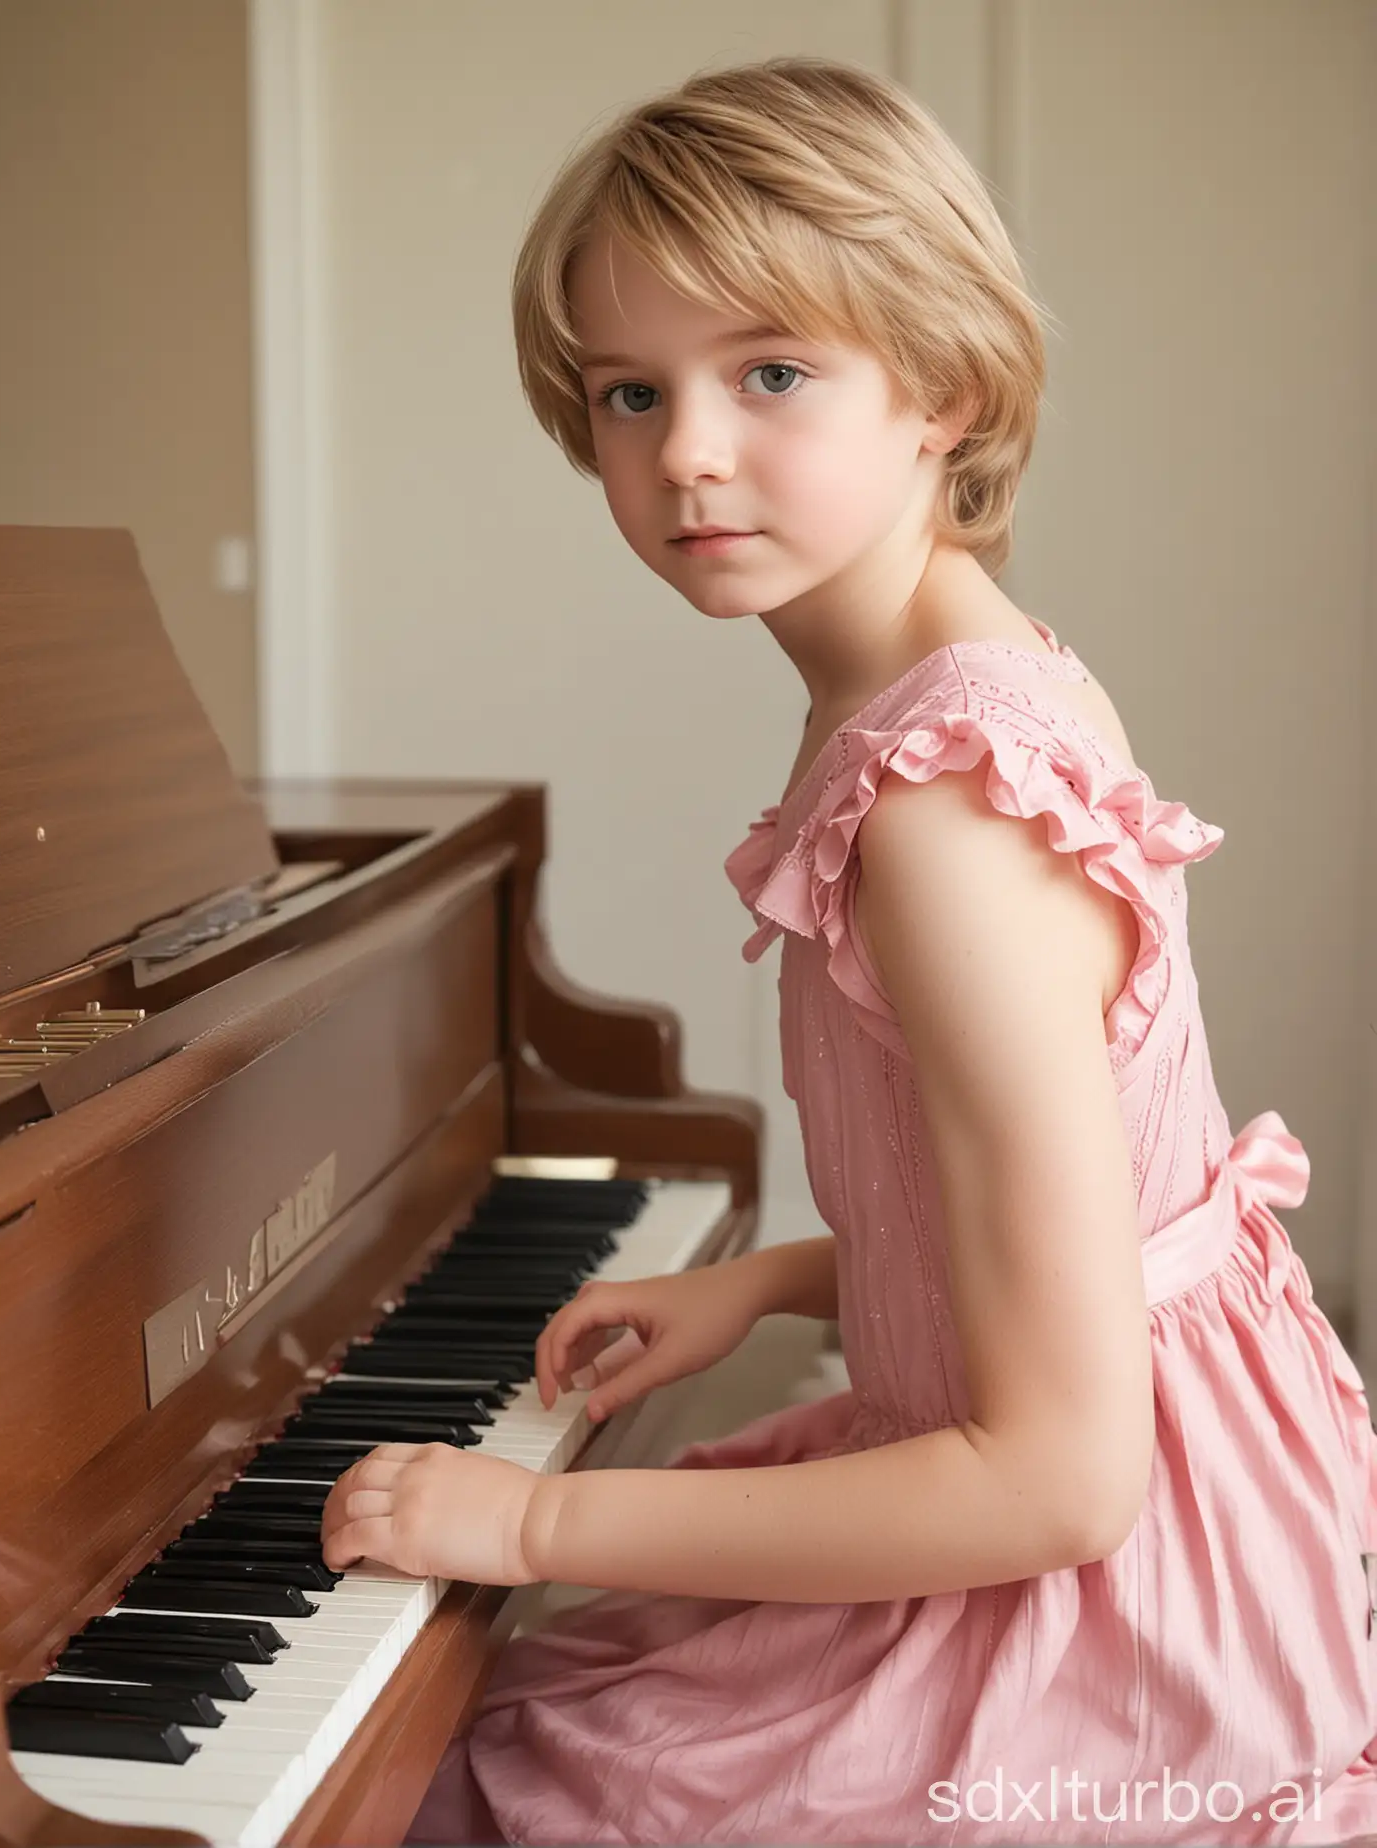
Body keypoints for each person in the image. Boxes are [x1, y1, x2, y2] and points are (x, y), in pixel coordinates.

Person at [319, 54, 1377, 1845]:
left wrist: (529, 1523)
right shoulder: (939, 688)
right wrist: (784, 1280)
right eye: (629, 393)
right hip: (1128, 1463)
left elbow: (1056, 1481)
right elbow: (1083, 1201)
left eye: (773, 373)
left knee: (483, 1782)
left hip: (1103, 1614)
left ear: (946, 389)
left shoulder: (942, 815)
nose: (686, 455)